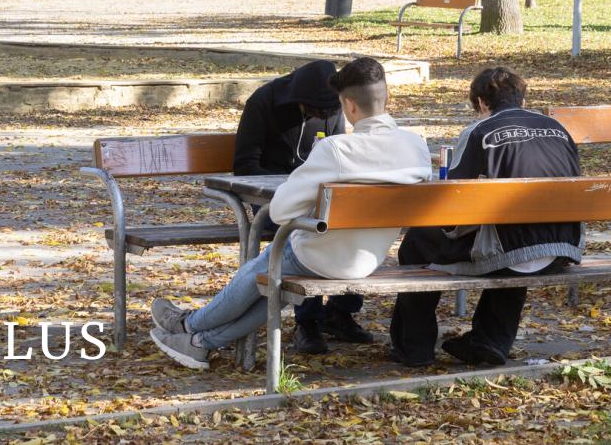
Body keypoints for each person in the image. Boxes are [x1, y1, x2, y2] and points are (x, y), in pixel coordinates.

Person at [149, 58, 431, 370]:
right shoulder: (416, 147)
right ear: (386, 98)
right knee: (275, 281)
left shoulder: (337, 150)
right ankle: (197, 342)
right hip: (368, 259)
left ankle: (190, 326)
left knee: (268, 265)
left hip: (320, 256)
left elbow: (281, 210)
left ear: (349, 105)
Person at [388, 67, 582, 368]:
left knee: (417, 242)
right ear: (522, 96)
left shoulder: (482, 131)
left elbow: (451, 198)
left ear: (480, 103)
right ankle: (489, 340)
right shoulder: (558, 128)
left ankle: (414, 346)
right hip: (562, 246)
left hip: (514, 248)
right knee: (518, 240)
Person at [233, 60, 364, 355]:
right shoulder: (263, 102)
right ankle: (308, 324)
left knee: (355, 226)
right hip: (273, 203)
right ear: (300, 100)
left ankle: (341, 312)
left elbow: (337, 156)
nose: (324, 116)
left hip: (315, 200)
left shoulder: (330, 108)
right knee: (305, 235)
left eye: (330, 111)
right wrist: (293, 186)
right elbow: (244, 166)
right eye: (317, 111)